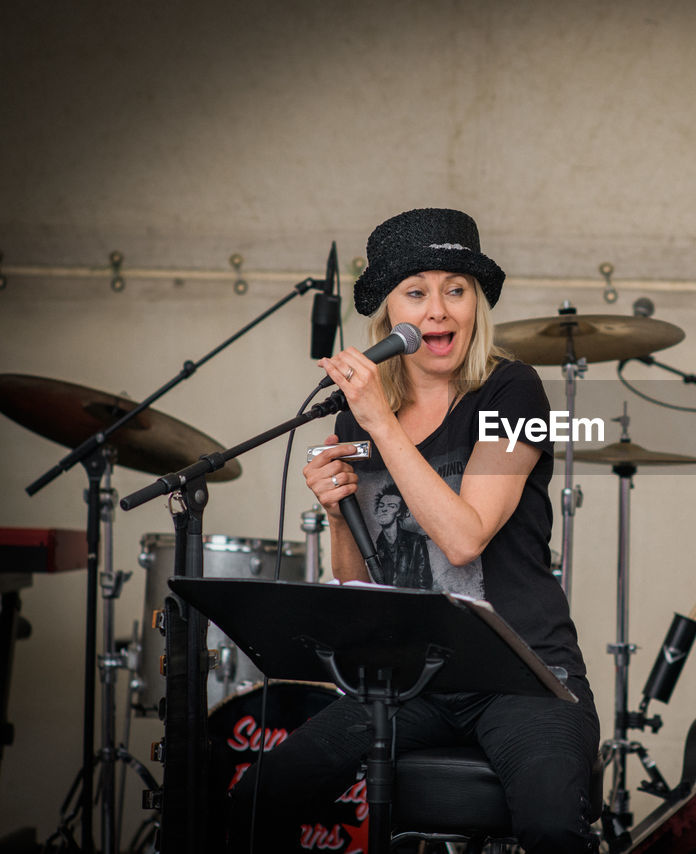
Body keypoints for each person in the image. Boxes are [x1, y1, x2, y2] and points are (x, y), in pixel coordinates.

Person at [227, 208, 600, 853]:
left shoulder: (512, 391)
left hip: (526, 673)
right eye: (417, 292)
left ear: (476, 304)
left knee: (550, 826)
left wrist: (381, 424)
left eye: (456, 290)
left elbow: (465, 538)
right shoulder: (358, 415)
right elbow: (358, 584)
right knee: (258, 795)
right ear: (387, 315)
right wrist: (336, 505)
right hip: (416, 677)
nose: (439, 311)